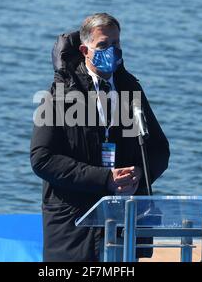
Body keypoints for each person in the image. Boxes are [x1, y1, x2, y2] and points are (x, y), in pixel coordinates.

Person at [30, 13, 170, 261]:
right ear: (85, 49)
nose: (112, 51)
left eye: (116, 44)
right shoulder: (61, 93)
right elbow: (42, 158)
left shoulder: (131, 89)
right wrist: (105, 178)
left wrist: (139, 172)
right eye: (103, 45)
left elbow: (159, 150)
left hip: (123, 226)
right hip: (74, 228)